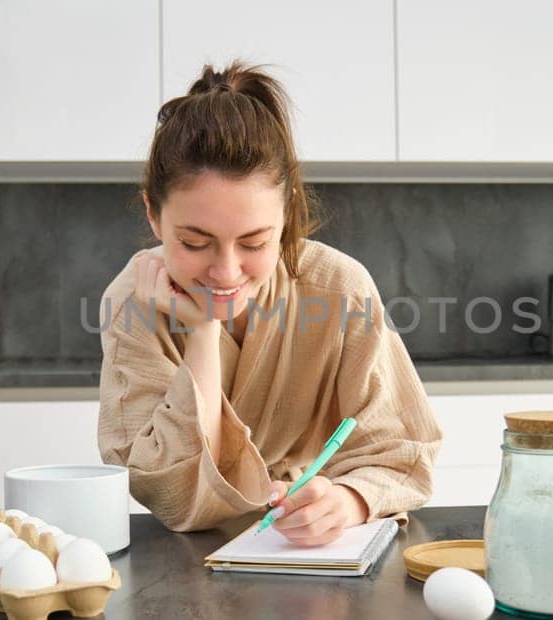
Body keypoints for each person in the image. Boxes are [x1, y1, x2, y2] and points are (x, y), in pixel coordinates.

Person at [96, 61, 442, 546]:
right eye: (195, 243)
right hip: (186, 566)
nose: (226, 271)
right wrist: (201, 332)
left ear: (287, 214)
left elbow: (403, 449)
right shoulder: (131, 303)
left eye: (255, 243)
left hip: (314, 555)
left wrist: (345, 501)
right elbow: (176, 496)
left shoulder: (340, 287)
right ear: (153, 214)